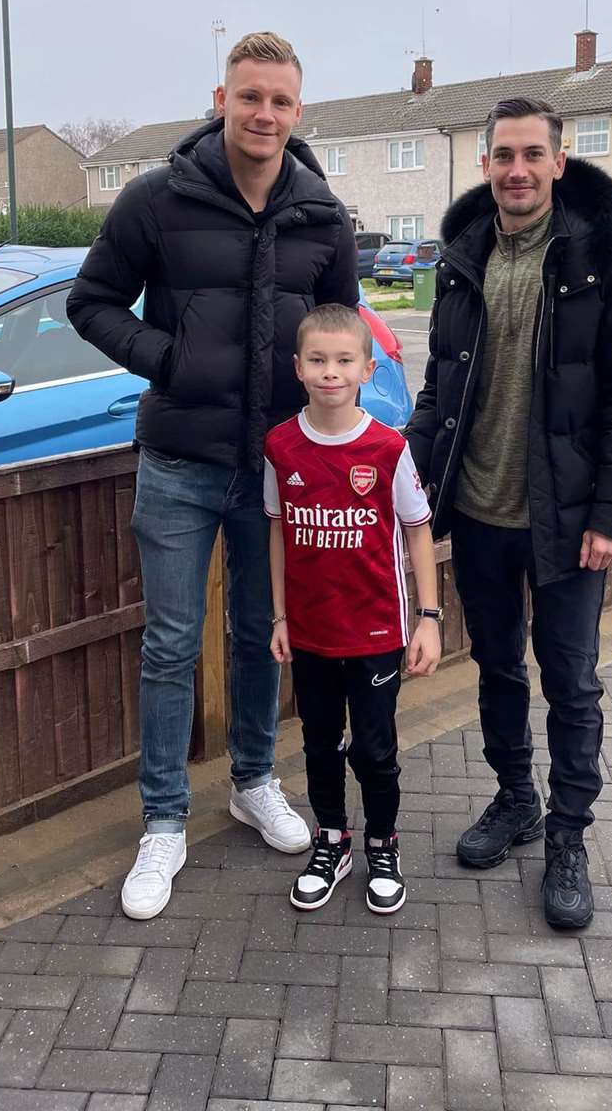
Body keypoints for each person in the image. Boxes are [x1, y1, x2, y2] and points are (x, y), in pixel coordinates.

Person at [67, 32, 358, 920]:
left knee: (262, 634)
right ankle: (162, 821)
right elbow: (91, 301)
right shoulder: (160, 198)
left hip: (277, 470)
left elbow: (341, 325)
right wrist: (168, 359)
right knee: (169, 643)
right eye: (249, 97)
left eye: (280, 100)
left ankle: (254, 780)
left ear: (298, 112)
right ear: (222, 99)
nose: (264, 113)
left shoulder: (322, 214)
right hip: (180, 462)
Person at [405, 96, 612, 930]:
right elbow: (441, 387)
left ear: (560, 163)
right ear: (486, 165)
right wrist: (408, 484)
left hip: (568, 521)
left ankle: (568, 838)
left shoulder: (606, 263)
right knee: (497, 669)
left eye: (532, 155)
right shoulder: (462, 260)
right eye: (502, 155)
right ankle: (515, 800)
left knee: (572, 682)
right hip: (480, 511)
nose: (516, 170)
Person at [265, 303, 441, 913]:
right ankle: (332, 841)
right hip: (311, 632)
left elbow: (419, 530)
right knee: (317, 743)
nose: (330, 372)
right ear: (298, 367)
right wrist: (280, 617)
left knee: (374, 748)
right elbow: (277, 533)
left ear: (368, 368)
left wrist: (430, 618)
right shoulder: (281, 447)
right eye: (318, 360)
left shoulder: (389, 449)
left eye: (344, 360)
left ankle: (382, 843)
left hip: (376, 632)